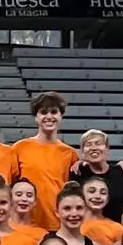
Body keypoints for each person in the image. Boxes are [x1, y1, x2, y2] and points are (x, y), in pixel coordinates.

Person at [14, 92, 78, 230]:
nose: (49, 116)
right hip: (25, 223)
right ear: (36, 117)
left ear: (61, 116)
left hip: (57, 224)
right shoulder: (19, 148)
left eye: (54, 112)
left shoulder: (70, 153)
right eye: (43, 112)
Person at [70, 129, 123, 220]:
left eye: (98, 144)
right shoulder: (77, 172)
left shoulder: (121, 172)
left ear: (107, 148)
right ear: (82, 151)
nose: (93, 148)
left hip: (117, 226)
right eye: (88, 144)